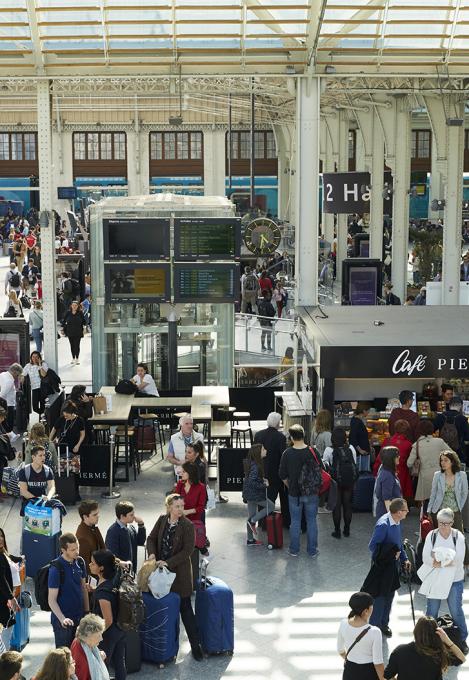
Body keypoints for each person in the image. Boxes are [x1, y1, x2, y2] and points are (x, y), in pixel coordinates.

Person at [146, 494, 204, 661]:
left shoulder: (187, 525)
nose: (180, 509)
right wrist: (152, 554)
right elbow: (151, 538)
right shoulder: (162, 520)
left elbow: (187, 551)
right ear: (169, 507)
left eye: (181, 506)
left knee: (186, 611)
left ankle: (196, 646)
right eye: (177, 506)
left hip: (179, 576)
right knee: (166, 611)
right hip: (161, 574)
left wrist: (167, 562)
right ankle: (168, 648)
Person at [422, 508, 468, 652]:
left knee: (456, 611)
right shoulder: (432, 535)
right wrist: (444, 560)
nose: (443, 526)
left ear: (452, 523)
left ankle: (462, 639)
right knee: (432, 611)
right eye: (441, 523)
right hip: (436, 580)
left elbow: (459, 559)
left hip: (455, 580)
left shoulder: (458, 536)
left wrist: (438, 562)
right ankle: (428, 640)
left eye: (447, 523)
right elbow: (425, 557)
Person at [365, 498, 410, 636]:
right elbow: (373, 547)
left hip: (393, 566)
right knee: (379, 597)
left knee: (390, 595)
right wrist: (390, 554)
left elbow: (398, 544)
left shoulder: (397, 521)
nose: (407, 511)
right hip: (382, 567)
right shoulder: (383, 525)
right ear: (398, 512)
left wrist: (404, 558)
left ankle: (384, 624)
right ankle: (375, 627)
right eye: (405, 510)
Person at [279, 424, 321, 558]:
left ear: (291, 437)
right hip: (311, 493)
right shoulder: (313, 451)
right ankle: (312, 550)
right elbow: (320, 471)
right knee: (311, 521)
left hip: (294, 494)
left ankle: (294, 550)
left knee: (295, 521)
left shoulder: (287, 453)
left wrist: (290, 485)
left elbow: (282, 474)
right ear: (303, 435)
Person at [384, 615, 465, 679]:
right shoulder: (438, 653)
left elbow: (387, 675)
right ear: (436, 633)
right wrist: (447, 640)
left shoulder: (400, 651)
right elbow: (462, 658)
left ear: (415, 631)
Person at [89, 550, 126, 680]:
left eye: (93, 563)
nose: (90, 565)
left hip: (108, 634)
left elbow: (108, 619)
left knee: (102, 666)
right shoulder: (112, 580)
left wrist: (95, 636)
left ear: (101, 568)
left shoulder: (103, 593)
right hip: (120, 628)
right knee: (120, 662)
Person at [48, 532, 89, 648]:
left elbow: (83, 588)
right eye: (72, 550)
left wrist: (87, 612)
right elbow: (51, 600)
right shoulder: (56, 568)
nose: (77, 552)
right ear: (63, 550)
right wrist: (62, 619)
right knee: (64, 658)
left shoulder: (80, 562)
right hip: (63, 623)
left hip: (79, 618)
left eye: (77, 548)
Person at [337, 591, 384, 680]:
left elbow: (340, 650)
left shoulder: (343, 623)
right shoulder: (375, 632)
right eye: (371, 605)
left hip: (350, 670)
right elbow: (378, 662)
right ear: (366, 611)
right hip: (369, 672)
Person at [254, 412, 289, 527]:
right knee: (283, 499)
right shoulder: (281, 437)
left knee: (264, 499)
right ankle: (285, 522)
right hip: (276, 474)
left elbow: (255, 454)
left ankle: (263, 523)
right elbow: (283, 456)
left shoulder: (258, 435)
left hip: (262, 472)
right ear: (278, 423)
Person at [323, 427, 357, 539]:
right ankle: (347, 530)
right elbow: (354, 463)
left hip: (335, 482)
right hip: (349, 481)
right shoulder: (351, 448)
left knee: (337, 506)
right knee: (347, 506)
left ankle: (337, 531)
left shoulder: (329, 450)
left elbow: (325, 466)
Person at [407, 420, 448, 510]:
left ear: (419, 430)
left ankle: (427, 519)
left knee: (427, 500)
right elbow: (452, 455)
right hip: (440, 475)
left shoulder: (416, 445)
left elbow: (409, 463)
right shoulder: (439, 442)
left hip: (424, 476)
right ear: (432, 429)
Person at [427, 450, 468, 535]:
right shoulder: (437, 475)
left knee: (459, 538)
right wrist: (429, 510)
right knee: (440, 538)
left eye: (446, 460)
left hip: (455, 512)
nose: (443, 463)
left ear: (452, 462)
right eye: (441, 460)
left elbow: (464, 493)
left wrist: (459, 506)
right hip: (439, 511)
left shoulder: (462, 475)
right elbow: (433, 494)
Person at [242, 443, 275, 546]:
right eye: (264, 449)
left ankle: (250, 540)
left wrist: (261, 479)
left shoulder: (251, 463)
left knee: (251, 515)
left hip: (249, 494)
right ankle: (253, 521)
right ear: (258, 452)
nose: (266, 450)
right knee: (271, 506)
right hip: (255, 494)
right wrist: (264, 484)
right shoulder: (256, 466)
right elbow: (252, 482)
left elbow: (251, 479)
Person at [105, 501, 146, 573]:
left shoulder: (130, 528)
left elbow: (140, 541)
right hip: (120, 572)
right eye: (131, 515)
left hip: (131, 569)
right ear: (122, 516)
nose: (134, 517)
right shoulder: (113, 531)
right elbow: (111, 555)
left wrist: (141, 525)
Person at [377, 421, 413, 501]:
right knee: (400, 492)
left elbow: (379, 458)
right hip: (402, 471)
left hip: (386, 469)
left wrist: (376, 471)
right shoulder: (409, 444)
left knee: (387, 493)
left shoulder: (387, 441)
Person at [0, 529, 23, 651]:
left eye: (1, 536)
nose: (0, 539)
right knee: (6, 632)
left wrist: (20, 559)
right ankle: (5, 663)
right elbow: (1, 579)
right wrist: (11, 597)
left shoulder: (3, 553)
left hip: (7, 598)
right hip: (4, 601)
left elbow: (10, 557)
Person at [18, 445, 55, 517]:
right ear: (33, 457)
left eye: (44, 455)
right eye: (40, 455)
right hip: (29, 505)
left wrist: (48, 497)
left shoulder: (48, 470)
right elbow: (23, 491)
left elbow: (52, 487)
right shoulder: (24, 471)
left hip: (43, 505)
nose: (43, 458)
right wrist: (37, 501)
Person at [71, 614, 110, 680]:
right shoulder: (80, 658)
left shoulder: (82, 642)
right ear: (88, 636)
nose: (101, 639)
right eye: (98, 636)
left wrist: (98, 657)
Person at [433, 397, 469, 462]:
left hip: (443, 449)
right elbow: (467, 437)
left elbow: (432, 430)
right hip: (458, 451)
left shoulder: (440, 417)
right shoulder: (463, 419)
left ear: (449, 405)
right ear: (461, 406)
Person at [76, 501, 105, 575]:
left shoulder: (92, 527)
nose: (98, 516)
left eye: (98, 513)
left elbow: (103, 551)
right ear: (85, 517)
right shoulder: (83, 537)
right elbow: (85, 566)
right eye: (94, 514)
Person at [374, 446, 402, 519]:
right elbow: (387, 500)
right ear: (390, 459)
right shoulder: (387, 475)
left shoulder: (386, 471)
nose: (399, 457)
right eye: (396, 456)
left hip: (386, 512)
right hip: (386, 513)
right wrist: (393, 518)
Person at [22, 351, 48, 415]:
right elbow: (23, 374)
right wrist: (21, 380)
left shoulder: (43, 364)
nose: (35, 358)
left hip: (43, 387)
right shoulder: (28, 366)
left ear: (39, 357)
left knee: (43, 406)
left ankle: (42, 420)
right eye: (33, 357)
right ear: (31, 357)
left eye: (36, 357)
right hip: (34, 388)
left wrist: (39, 365)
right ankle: (42, 415)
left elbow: (44, 374)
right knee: (35, 407)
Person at [62, 301, 86, 365]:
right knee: (72, 345)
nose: (74, 306)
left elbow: (84, 321)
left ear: (78, 306)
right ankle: (73, 358)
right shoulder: (68, 313)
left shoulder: (80, 313)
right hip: (70, 332)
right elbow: (63, 321)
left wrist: (84, 328)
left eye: (75, 305)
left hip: (78, 332)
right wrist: (63, 329)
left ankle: (77, 358)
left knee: (77, 345)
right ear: (71, 306)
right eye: (73, 305)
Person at [349, 403, 371, 471]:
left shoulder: (355, 420)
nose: (368, 413)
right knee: (363, 473)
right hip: (361, 454)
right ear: (364, 411)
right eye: (368, 411)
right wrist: (360, 450)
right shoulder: (357, 422)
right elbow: (353, 438)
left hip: (362, 453)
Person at [0, 364, 22, 432]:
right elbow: (2, 395)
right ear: (14, 372)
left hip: (4, 405)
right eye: (18, 375)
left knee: (3, 425)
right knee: (8, 426)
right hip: (8, 406)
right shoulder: (9, 381)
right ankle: (7, 440)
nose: (17, 377)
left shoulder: (3, 374)